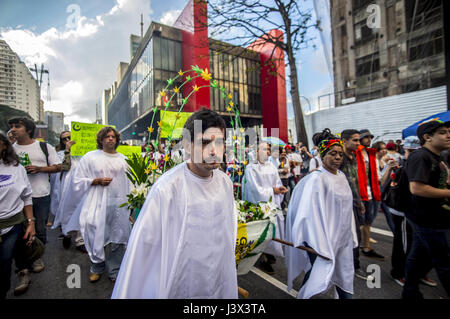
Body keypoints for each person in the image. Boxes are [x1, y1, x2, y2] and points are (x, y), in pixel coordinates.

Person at [112, 109, 238, 298]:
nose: (214, 150)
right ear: (187, 145)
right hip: (182, 283)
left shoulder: (225, 183)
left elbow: (228, 232)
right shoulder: (167, 188)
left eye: (219, 142)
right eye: (205, 142)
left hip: (217, 279)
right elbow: (144, 252)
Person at [285, 129, 358, 299]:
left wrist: (351, 235)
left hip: (341, 241)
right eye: (333, 154)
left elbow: (347, 211)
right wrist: (319, 244)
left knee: (343, 276)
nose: (338, 158)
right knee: (318, 274)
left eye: (340, 154)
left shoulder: (341, 176)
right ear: (323, 155)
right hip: (321, 241)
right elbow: (308, 215)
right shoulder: (316, 179)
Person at [64, 127, 132, 283]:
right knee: (95, 234)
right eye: (107, 136)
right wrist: (95, 181)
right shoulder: (90, 157)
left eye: (113, 136)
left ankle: (114, 270)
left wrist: (131, 204)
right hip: (96, 203)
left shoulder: (123, 159)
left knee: (117, 237)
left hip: (118, 205)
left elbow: (129, 183)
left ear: (117, 140)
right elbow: (77, 180)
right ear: (101, 139)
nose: (110, 139)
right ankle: (96, 267)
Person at [402, 120, 450, 299]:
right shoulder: (421, 156)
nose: (448, 135)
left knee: (420, 257)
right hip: (428, 219)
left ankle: (410, 292)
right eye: (443, 132)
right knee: (444, 263)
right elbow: (416, 188)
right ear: (427, 137)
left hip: (438, 217)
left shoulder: (440, 156)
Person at [8, 117, 61, 274]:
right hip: (15, 198)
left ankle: (37, 255)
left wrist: (39, 169)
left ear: (29, 130)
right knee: (17, 232)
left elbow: (58, 167)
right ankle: (22, 267)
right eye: (11, 127)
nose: (13, 129)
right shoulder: (9, 149)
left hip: (40, 195)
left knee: (39, 229)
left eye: (18, 126)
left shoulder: (44, 147)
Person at [385, 136, 436, 287]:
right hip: (402, 210)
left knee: (417, 244)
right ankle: (399, 273)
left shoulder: (419, 161)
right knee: (404, 243)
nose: (413, 153)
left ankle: (416, 273)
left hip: (415, 212)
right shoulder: (403, 163)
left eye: (415, 150)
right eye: (410, 150)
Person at [243, 140, 288, 274]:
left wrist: (279, 189)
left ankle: (268, 255)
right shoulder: (251, 168)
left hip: (272, 204)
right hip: (259, 205)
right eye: (264, 149)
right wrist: (272, 191)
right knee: (262, 234)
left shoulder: (272, 167)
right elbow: (254, 190)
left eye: (268, 149)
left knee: (272, 232)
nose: (267, 152)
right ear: (256, 151)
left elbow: (277, 183)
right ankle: (264, 258)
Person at [0, 132, 36, 298]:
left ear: (4, 146)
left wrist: (30, 223)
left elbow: (26, 196)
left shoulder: (16, 168)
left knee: (5, 262)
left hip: (11, 226)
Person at [339, 129, 369, 280]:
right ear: (344, 141)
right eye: (355, 140)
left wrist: (360, 201)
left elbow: (355, 182)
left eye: (359, 140)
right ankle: (352, 266)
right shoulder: (339, 158)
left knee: (355, 234)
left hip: (355, 203)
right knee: (351, 235)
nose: (359, 143)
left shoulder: (354, 157)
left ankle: (352, 264)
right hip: (344, 205)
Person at [50, 131, 86, 253]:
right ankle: (67, 233)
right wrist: (67, 151)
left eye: (69, 138)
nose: (67, 140)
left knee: (82, 210)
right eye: (64, 139)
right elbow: (65, 167)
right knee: (67, 210)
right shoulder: (60, 154)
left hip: (82, 184)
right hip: (66, 186)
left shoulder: (85, 152)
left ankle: (80, 240)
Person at [355, 129, 384, 260]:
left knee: (368, 221)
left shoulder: (372, 155)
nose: (369, 139)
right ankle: (360, 246)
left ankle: (366, 246)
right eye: (366, 137)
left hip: (372, 192)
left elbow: (378, 177)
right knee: (359, 222)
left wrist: (388, 167)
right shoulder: (355, 154)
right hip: (360, 193)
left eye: (370, 137)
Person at [372, 141, 396, 234]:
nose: (384, 150)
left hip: (384, 192)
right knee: (370, 217)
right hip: (376, 192)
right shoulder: (372, 161)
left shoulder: (383, 161)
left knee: (389, 215)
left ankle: (397, 235)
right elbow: (380, 180)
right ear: (376, 150)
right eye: (382, 149)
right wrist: (389, 168)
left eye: (385, 148)